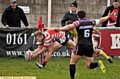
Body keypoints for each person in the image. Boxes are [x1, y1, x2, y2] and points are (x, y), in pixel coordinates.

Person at [54, 10, 113, 79]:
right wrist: (108, 16)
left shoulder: (78, 22)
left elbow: (69, 27)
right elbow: (101, 20)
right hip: (90, 46)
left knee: (72, 62)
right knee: (89, 65)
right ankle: (97, 64)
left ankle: (71, 78)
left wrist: (60, 29)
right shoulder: (91, 22)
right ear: (85, 16)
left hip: (81, 45)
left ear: (78, 16)